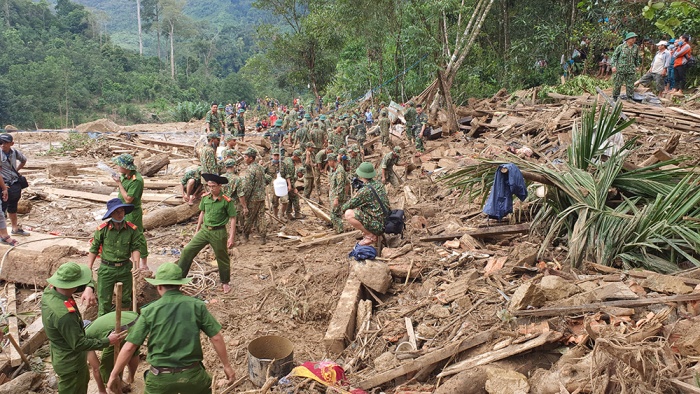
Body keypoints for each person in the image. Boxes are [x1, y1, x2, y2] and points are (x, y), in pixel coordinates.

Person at [108, 264, 236, 394]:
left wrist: (114, 375)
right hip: (192, 376)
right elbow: (216, 337)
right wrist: (227, 366)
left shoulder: (149, 311)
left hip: (160, 378)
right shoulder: (197, 306)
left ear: (159, 287)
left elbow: (130, 347)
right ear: (180, 285)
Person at [42, 262, 125, 394]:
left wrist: (89, 287)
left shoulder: (50, 291)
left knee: (82, 382)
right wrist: (108, 341)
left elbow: (89, 278)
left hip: (66, 356)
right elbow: (79, 343)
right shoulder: (64, 315)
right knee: (75, 388)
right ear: (74, 286)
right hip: (71, 362)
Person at [178, 173, 236, 293]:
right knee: (188, 250)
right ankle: (178, 279)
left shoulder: (226, 201)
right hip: (205, 230)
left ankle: (225, 282)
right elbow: (202, 213)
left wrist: (231, 237)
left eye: (213, 186)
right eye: (209, 186)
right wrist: (197, 230)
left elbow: (233, 218)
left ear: (220, 186)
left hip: (218, 232)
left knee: (222, 257)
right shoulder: (205, 198)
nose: (211, 188)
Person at [88, 198, 144, 316]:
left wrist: (136, 266)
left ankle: (124, 324)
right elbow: (94, 248)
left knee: (125, 300)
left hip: (125, 268)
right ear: (111, 214)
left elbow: (135, 248)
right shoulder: (102, 230)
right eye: (116, 211)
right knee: (104, 301)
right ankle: (104, 329)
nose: (120, 214)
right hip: (107, 269)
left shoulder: (131, 229)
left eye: (122, 211)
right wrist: (89, 267)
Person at [85, 311, 140, 394]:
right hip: (137, 321)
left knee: (106, 369)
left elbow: (97, 368)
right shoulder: (94, 326)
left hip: (120, 331)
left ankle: (117, 390)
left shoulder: (83, 338)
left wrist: (102, 391)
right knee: (132, 352)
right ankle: (130, 378)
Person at [112, 153, 149, 270]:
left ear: (126, 167)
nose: (117, 167)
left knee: (137, 236)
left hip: (132, 212)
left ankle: (143, 263)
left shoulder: (136, 180)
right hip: (121, 210)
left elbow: (128, 199)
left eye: (119, 165)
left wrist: (118, 183)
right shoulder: (124, 176)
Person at [342, 162, 389, 246]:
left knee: (348, 214)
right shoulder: (379, 184)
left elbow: (347, 206)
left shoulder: (365, 190)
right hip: (385, 220)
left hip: (377, 225)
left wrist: (357, 193)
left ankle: (370, 235)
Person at [0, 133, 29, 236]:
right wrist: (3, 186)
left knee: (13, 206)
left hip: (14, 183)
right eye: (1, 142)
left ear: (12, 143)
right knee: (1, 209)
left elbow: (24, 160)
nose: (3, 145)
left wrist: (16, 171)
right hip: (3, 184)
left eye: (6, 143)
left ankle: (14, 228)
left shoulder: (14, 152)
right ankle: (2, 234)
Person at [238, 148, 267, 244]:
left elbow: (248, 187)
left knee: (249, 217)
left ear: (251, 158)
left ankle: (245, 236)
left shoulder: (250, 170)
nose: (244, 159)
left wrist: (244, 202)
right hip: (261, 196)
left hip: (253, 198)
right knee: (261, 216)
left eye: (246, 157)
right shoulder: (260, 168)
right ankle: (263, 237)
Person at [610, 32, 640, 100]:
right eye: (632, 38)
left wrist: (637, 66)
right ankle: (615, 97)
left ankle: (630, 98)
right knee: (618, 84)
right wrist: (613, 66)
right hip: (621, 69)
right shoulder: (621, 47)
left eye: (634, 38)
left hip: (631, 69)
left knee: (630, 85)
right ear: (628, 39)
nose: (634, 39)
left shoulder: (636, 47)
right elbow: (614, 57)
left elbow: (637, 58)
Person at [327, 153, 348, 234]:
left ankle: (340, 230)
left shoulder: (339, 171)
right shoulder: (335, 169)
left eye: (328, 161)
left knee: (334, 214)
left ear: (332, 161)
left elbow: (340, 185)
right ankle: (338, 229)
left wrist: (336, 198)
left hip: (337, 196)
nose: (328, 163)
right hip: (334, 195)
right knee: (337, 213)